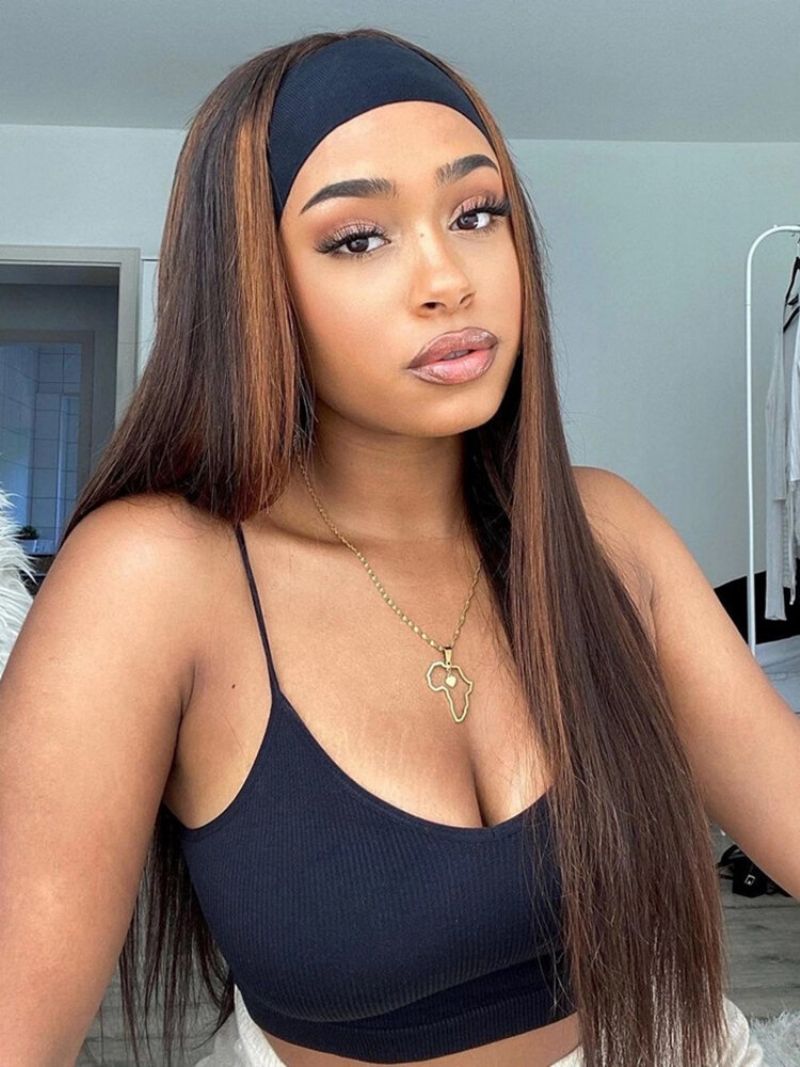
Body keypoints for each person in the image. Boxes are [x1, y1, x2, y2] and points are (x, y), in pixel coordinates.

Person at [2, 26, 789, 1067]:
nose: (448, 278)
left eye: (476, 213)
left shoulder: (606, 533)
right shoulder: (154, 576)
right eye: (357, 238)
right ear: (251, 285)